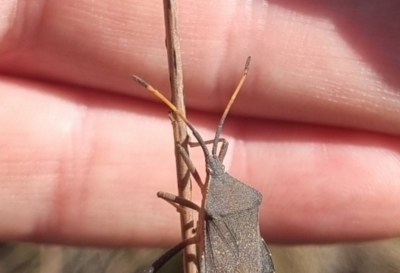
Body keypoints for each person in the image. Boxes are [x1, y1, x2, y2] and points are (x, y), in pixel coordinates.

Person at [0, 0, 399, 248]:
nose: (211, 153)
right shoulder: (225, 179)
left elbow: (195, 166)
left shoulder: (224, 186)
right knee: (201, 148)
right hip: (219, 222)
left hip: (213, 238)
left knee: (201, 154)